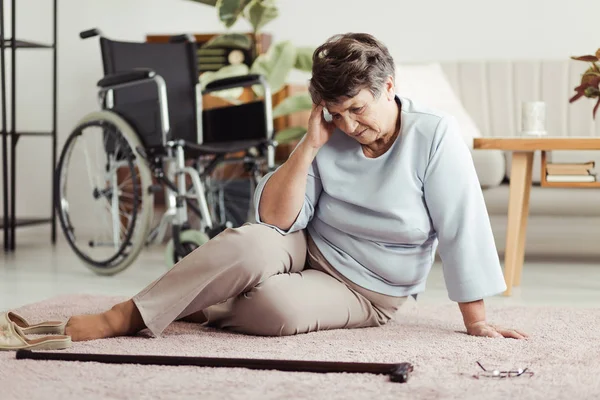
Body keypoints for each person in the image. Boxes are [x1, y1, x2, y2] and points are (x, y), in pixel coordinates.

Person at [64, 32, 527, 342]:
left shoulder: (434, 135)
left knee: (274, 310)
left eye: (358, 109)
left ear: (388, 87)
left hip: (370, 288)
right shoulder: (328, 132)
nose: (349, 125)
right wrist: (308, 146)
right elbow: (276, 222)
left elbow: (462, 227)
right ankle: (124, 315)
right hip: (307, 244)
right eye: (335, 112)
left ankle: (197, 301)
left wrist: (477, 321)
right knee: (248, 245)